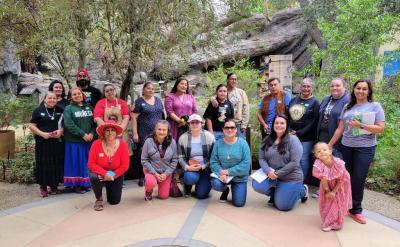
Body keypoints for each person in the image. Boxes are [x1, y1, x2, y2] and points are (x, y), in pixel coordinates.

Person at [328, 79, 385, 224]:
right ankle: (343, 205)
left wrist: (361, 125)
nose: (361, 91)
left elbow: (380, 128)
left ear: (369, 91)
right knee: (344, 177)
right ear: (353, 90)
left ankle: (356, 210)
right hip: (346, 146)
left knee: (358, 179)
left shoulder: (375, 106)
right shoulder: (347, 106)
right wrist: (330, 145)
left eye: (364, 89)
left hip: (365, 148)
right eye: (358, 88)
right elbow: (340, 128)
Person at [252, 114, 308, 211]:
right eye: (276, 123)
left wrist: (277, 174)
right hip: (271, 175)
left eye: (282, 123)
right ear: (273, 125)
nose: (279, 125)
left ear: (287, 125)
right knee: (257, 185)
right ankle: (277, 193)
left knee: (283, 206)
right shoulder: (267, 139)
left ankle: (302, 191)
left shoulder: (293, 140)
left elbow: (294, 162)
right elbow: (261, 158)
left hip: (290, 178)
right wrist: (268, 171)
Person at [314, 77, 349, 198]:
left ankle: (335, 192)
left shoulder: (347, 101)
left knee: (334, 165)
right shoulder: (326, 99)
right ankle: (324, 189)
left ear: (344, 87)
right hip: (322, 136)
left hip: (336, 138)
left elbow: (342, 126)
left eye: (337, 85)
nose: (334, 88)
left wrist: (331, 144)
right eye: (332, 85)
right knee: (323, 163)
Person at [87, 120, 130, 211]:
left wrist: (112, 175)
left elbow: (125, 165)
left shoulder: (122, 144)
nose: (110, 133)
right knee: (94, 177)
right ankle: (99, 198)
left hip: (115, 173)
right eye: (107, 130)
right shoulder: (96, 144)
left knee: (114, 201)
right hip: (100, 172)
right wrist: (104, 173)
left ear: (116, 132)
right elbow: (91, 164)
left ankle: (109, 188)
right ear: (103, 132)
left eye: (112, 130)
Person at [29, 92, 64, 197]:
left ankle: (54, 186)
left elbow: (63, 125)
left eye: (54, 98)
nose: (52, 100)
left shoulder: (60, 110)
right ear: (45, 99)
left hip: (56, 142)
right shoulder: (38, 110)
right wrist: (42, 134)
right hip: (42, 142)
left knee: (55, 162)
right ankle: (43, 187)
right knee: (43, 163)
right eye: (49, 98)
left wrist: (60, 132)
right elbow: (31, 125)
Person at [210, 119, 251, 207]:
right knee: (216, 183)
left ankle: (236, 189)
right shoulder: (217, 144)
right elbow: (213, 162)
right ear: (223, 129)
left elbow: (246, 164)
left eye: (232, 127)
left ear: (236, 129)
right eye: (227, 127)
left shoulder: (243, 143)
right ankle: (225, 190)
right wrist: (221, 172)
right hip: (223, 176)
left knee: (239, 203)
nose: (229, 130)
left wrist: (228, 172)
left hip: (239, 177)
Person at [63, 87, 97, 193]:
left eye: (79, 93)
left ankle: (86, 183)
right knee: (76, 163)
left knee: (87, 162)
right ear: (70, 97)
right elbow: (69, 124)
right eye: (74, 94)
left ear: (82, 95)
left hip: (88, 141)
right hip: (74, 142)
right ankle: (76, 185)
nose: (77, 95)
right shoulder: (68, 108)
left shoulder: (89, 107)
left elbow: (93, 123)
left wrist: (92, 133)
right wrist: (82, 134)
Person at [131, 82, 165, 186]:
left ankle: (156, 175)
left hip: (158, 134)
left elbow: (163, 116)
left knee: (157, 154)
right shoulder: (139, 101)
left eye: (152, 89)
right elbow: (133, 117)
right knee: (143, 155)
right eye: (148, 88)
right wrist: (135, 133)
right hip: (144, 133)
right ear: (144, 90)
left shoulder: (158, 100)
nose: (151, 90)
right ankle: (142, 176)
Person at [312, 142, 352, 232]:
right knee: (328, 200)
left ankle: (336, 223)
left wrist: (333, 192)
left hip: (341, 182)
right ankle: (329, 218)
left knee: (337, 200)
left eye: (324, 150)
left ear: (330, 151)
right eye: (318, 151)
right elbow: (323, 178)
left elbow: (341, 179)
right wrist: (327, 191)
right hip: (326, 183)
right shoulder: (318, 164)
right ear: (316, 155)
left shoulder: (338, 163)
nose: (322, 152)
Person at [287, 78, 320, 180]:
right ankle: (291, 179)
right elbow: (287, 116)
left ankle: (301, 182)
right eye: (304, 86)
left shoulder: (315, 103)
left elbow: (314, 122)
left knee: (303, 159)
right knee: (291, 158)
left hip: (306, 137)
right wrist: (288, 130)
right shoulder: (293, 100)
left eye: (308, 86)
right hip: (291, 135)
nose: (306, 88)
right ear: (300, 87)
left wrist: (299, 133)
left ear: (312, 88)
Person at [178, 114, 215, 199]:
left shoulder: (209, 137)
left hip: (205, 167)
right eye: (192, 122)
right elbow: (180, 157)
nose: (194, 124)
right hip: (191, 167)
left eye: (197, 122)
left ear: (202, 123)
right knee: (189, 178)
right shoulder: (183, 138)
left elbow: (213, 157)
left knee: (201, 195)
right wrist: (187, 167)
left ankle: (201, 183)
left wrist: (203, 166)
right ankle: (187, 185)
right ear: (188, 124)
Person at [141, 120, 178, 201]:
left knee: (163, 196)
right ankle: (148, 190)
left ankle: (164, 184)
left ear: (168, 131)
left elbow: (175, 160)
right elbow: (144, 160)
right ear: (155, 129)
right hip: (151, 170)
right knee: (151, 182)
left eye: (164, 130)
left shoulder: (172, 142)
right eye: (159, 129)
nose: (161, 132)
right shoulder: (148, 141)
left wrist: (166, 173)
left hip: (165, 172)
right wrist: (155, 173)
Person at [93, 83, 131, 154]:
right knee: (107, 155)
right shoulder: (100, 103)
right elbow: (98, 118)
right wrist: (108, 132)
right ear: (104, 93)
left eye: (111, 90)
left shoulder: (122, 102)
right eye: (107, 91)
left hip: (121, 134)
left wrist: (119, 131)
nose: (110, 92)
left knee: (122, 155)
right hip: (106, 134)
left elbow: (126, 117)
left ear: (115, 91)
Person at [211, 73, 249, 138]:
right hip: (226, 125)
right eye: (232, 79)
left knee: (240, 144)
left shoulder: (241, 92)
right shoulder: (224, 91)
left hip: (238, 124)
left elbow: (246, 108)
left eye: (235, 79)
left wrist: (244, 124)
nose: (234, 81)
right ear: (227, 80)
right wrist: (212, 99)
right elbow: (214, 97)